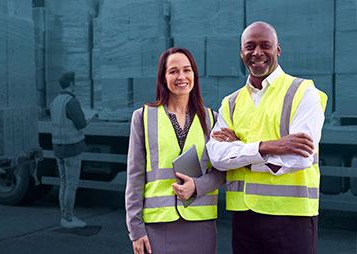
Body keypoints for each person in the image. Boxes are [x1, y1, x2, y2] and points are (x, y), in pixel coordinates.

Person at [206, 21, 327, 254]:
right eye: (250, 46)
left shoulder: (304, 93)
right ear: (241, 53)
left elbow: (299, 158)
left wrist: (240, 152)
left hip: (291, 217)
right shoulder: (230, 103)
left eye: (265, 45)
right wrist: (267, 147)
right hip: (244, 219)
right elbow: (218, 156)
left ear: (277, 50)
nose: (257, 52)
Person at [125, 47, 226, 254]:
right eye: (173, 71)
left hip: (200, 223)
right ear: (163, 77)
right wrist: (135, 230)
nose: (181, 76)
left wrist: (197, 186)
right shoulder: (143, 117)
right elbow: (134, 177)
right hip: (158, 225)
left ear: (194, 75)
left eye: (187, 70)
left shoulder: (212, 119)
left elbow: (222, 171)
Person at [50, 72, 90, 229]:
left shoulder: (55, 101)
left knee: (63, 182)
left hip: (58, 147)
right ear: (72, 84)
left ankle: (64, 216)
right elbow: (81, 123)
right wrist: (89, 119)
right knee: (71, 184)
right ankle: (68, 218)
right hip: (71, 147)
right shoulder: (71, 101)